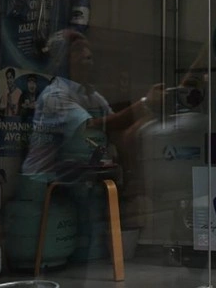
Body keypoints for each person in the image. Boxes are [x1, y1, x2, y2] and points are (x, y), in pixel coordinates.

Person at [22, 29, 165, 181]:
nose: (87, 54)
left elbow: (118, 133)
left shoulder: (92, 97)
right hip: (44, 187)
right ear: (61, 60)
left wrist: (154, 116)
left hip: (75, 183)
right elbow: (92, 126)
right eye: (78, 49)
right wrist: (145, 104)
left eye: (87, 48)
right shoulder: (54, 96)